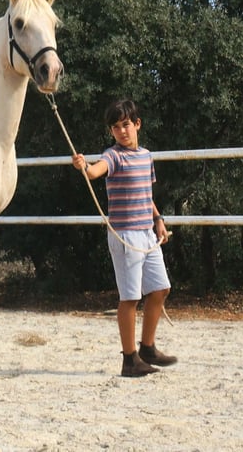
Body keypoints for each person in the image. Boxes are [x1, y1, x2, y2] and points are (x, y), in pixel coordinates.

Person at [72, 99, 177, 377]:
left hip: (146, 233)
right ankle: (129, 359)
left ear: (137, 124)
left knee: (160, 289)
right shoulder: (113, 156)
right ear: (112, 132)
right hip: (124, 235)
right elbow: (96, 171)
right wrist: (85, 166)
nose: (122, 131)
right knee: (130, 297)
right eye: (116, 127)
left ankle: (148, 347)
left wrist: (159, 220)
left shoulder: (146, 156)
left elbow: (147, 195)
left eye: (126, 125)